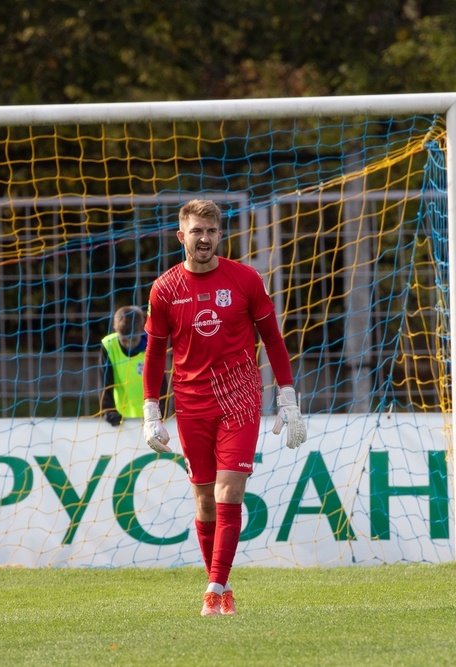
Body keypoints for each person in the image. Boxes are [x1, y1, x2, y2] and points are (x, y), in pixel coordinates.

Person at [141, 198, 306, 617]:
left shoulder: (245, 279)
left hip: (240, 400)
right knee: (204, 502)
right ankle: (224, 584)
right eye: (197, 231)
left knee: (229, 491)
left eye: (211, 231)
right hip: (192, 404)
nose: (204, 239)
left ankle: (213, 591)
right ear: (182, 236)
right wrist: (150, 410)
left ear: (220, 235)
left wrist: (287, 396)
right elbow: (155, 354)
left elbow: (273, 341)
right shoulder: (165, 289)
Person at [99, 305, 149, 426]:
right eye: (124, 339)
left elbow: (161, 384)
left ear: (141, 330)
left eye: (133, 339)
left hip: (149, 419)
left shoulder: (151, 346)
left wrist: (159, 413)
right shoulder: (109, 345)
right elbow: (105, 382)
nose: (129, 344)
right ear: (116, 330)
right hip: (121, 421)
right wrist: (109, 411)